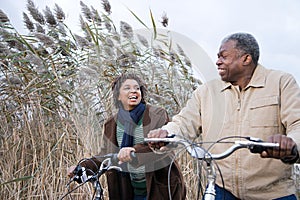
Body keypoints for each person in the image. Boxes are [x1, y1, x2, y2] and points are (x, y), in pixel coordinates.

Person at [148, 32, 300, 200]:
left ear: (246, 59)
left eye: (224, 56)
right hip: (222, 189)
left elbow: (297, 123)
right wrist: (166, 133)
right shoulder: (207, 92)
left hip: (273, 194)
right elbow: (184, 122)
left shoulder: (281, 83)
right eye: (217, 56)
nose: (218, 61)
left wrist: (291, 144)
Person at [67, 73, 186, 200]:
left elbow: (161, 146)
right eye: (127, 88)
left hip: (159, 189)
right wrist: (83, 167)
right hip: (128, 190)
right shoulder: (111, 124)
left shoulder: (157, 114)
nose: (133, 91)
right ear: (118, 95)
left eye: (137, 88)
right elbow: (106, 154)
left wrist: (134, 151)